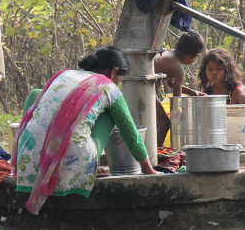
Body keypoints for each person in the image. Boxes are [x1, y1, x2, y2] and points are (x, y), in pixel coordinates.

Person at [12, 46, 156, 215]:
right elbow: (131, 134)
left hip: (27, 160)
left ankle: (22, 147)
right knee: (111, 114)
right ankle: (89, 164)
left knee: (37, 93)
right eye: (120, 78)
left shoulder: (63, 74)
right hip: (72, 165)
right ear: (113, 72)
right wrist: (149, 170)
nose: (119, 83)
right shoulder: (108, 87)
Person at [196, 48, 245, 144]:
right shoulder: (206, 93)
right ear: (204, 71)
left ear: (227, 69)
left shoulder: (240, 94)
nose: (214, 72)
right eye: (210, 69)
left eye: (219, 69)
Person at [153, 30, 207, 146]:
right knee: (164, 124)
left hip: (145, 90)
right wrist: (176, 120)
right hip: (146, 92)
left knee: (157, 123)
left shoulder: (169, 54)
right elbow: (176, 99)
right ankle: (156, 156)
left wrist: (192, 92)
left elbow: (170, 84)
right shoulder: (178, 69)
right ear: (194, 56)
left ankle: (156, 153)